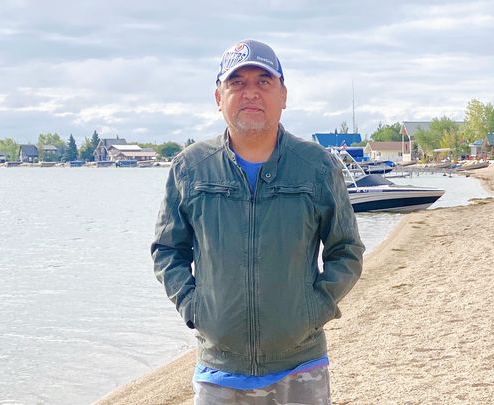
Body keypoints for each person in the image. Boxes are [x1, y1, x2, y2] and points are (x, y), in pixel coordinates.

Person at [151, 39, 364, 404]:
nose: (250, 92)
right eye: (237, 83)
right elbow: (168, 250)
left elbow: (346, 250)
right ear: (218, 97)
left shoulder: (316, 166)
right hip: (218, 370)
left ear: (283, 95)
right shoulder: (190, 167)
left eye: (263, 82)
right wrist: (194, 307)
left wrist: (315, 309)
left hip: (301, 365)